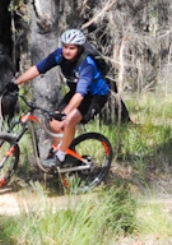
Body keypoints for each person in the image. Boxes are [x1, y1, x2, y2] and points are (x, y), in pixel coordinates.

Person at [8, 28, 111, 162]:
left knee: (69, 120)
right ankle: (64, 157)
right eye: (65, 47)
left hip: (95, 96)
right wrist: (16, 82)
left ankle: (61, 156)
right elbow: (38, 68)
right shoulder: (59, 55)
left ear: (79, 48)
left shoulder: (87, 64)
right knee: (55, 124)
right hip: (76, 92)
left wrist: (65, 113)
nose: (67, 51)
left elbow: (81, 94)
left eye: (72, 48)